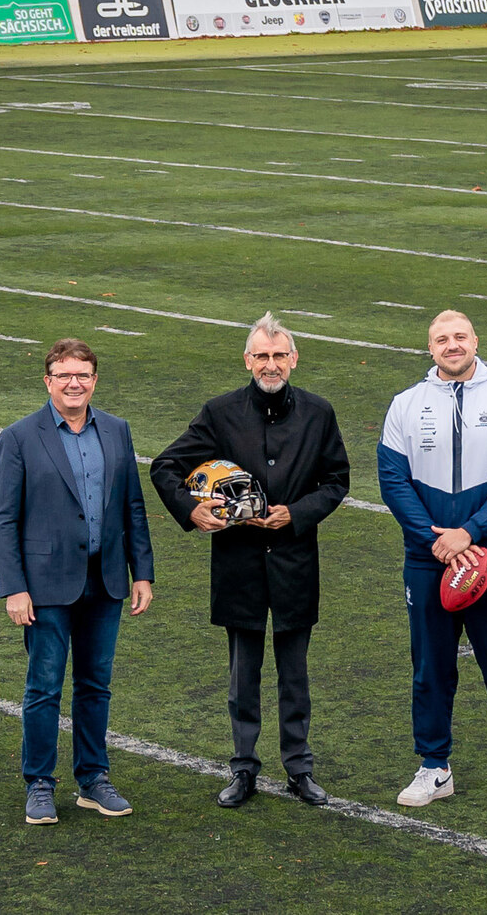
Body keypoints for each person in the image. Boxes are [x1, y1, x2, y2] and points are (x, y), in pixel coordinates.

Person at [151, 313, 350, 808]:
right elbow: (164, 466)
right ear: (247, 360)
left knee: (295, 675)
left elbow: (337, 480)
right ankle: (243, 770)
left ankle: (299, 770)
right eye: (261, 356)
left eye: (279, 355)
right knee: (243, 676)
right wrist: (193, 511)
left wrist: (297, 514)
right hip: (237, 564)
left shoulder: (318, 413)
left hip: (294, 561)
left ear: (294, 359)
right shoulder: (219, 412)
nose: (270, 364)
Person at [377, 310, 487, 810]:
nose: (452, 345)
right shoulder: (406, 404)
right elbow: (393, 480)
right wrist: (438, 539)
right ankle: (434, 766)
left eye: (460, 337)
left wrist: (469, 532)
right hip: (428, 556)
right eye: (441, 339)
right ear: (430, 349)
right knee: (430, 665)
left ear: (476, 341)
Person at [0, 338, 155, 825]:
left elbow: (132, 507)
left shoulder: (118, 431)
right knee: (43, 687)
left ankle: (93, 779)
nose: (74, 383)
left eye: (82, 374)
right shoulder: (19, 437)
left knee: (95, 685)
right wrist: (14, 587)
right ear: (48, 381)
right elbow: (3, 520)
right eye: (63, 375)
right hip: (44, 585)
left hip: (104, 581)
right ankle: (39, 782)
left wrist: (141, 571)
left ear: (94, 380)